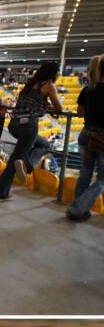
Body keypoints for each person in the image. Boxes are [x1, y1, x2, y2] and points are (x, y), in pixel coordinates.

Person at [0, 62, 60, 202]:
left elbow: (32, 103)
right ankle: (24, 165)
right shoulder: (48, 85)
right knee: (40, 149)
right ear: (54, 73)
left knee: (42, 145)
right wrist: (52, 107)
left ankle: (1, 191)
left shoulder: (30, 84)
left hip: (14, 124)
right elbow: (59, 108)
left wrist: (46, 107)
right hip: (29, 125)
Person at [69, 54, 104, 221]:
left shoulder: (87, 90)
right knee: (102, 178)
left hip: (86, 134)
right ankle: (78, 208)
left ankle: (78, 208)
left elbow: (80, 112)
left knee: (85, 173)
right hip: (102, 138)